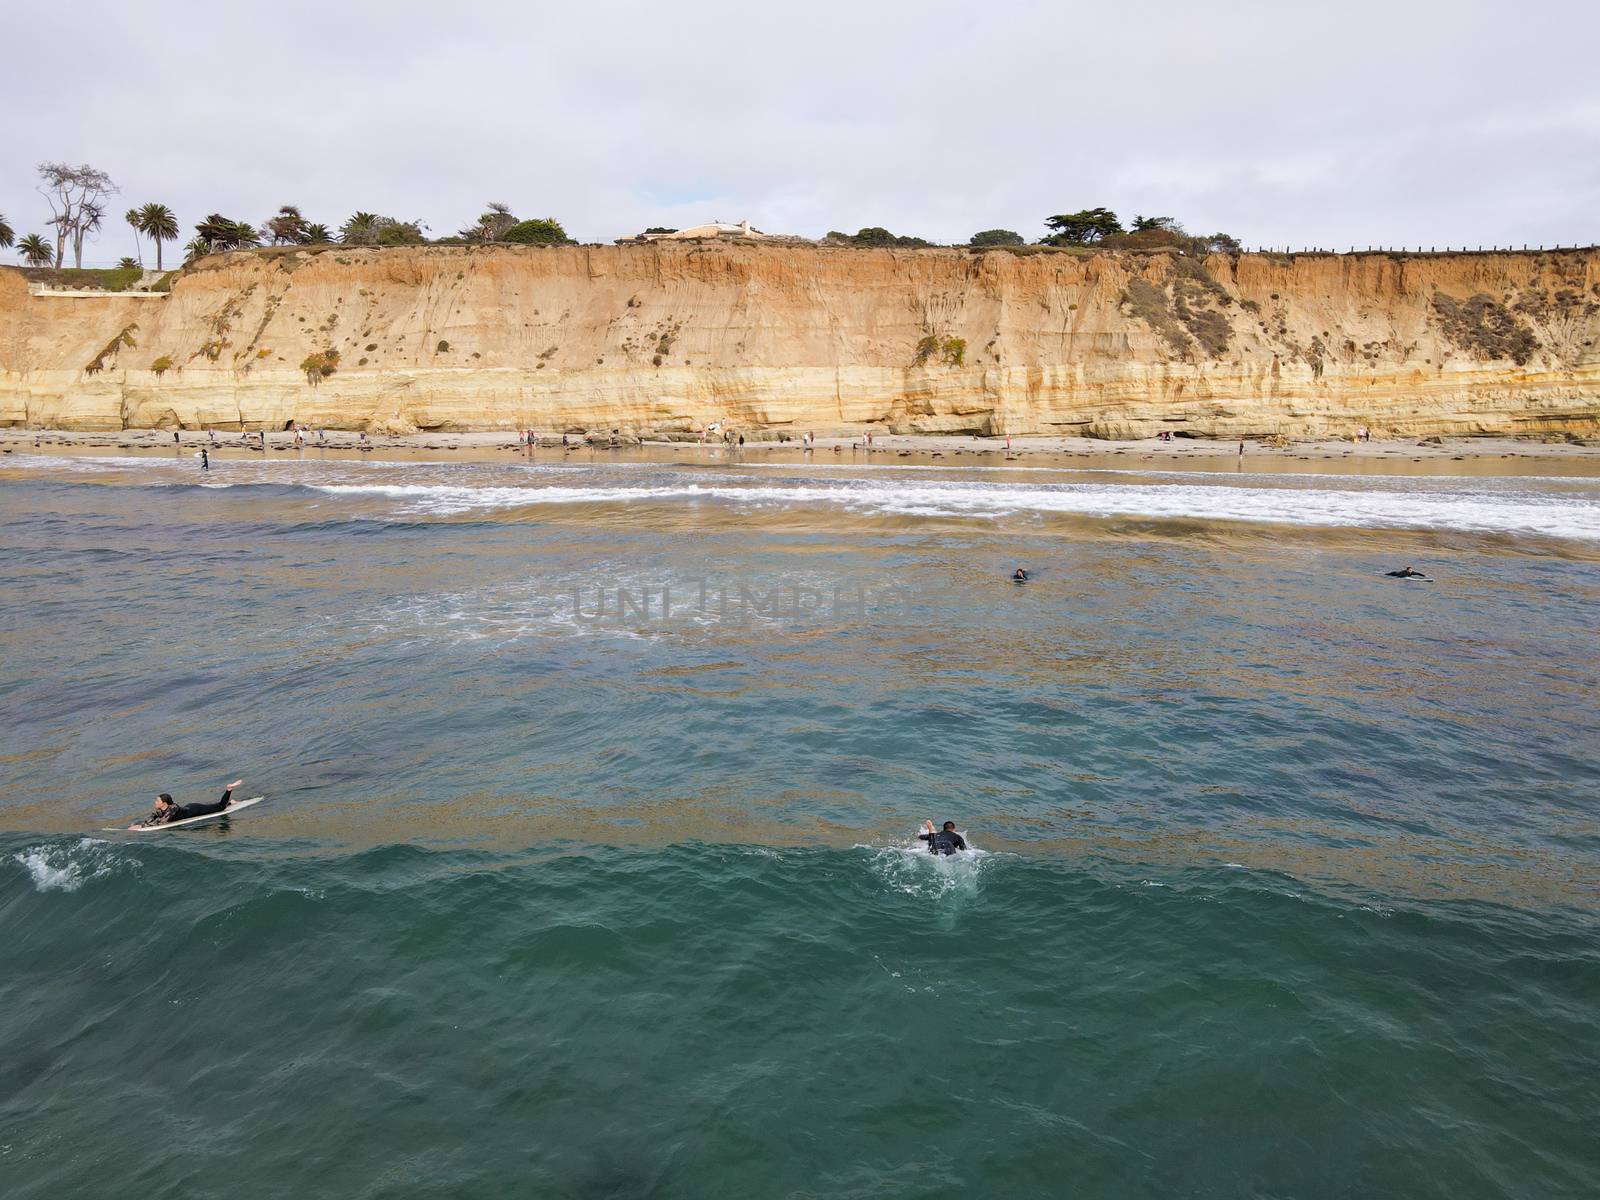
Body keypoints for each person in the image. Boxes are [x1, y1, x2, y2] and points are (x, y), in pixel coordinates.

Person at [135, 779, 245, 828]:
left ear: (164, 803)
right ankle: (230, 803)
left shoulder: (173, 808)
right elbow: (152, 818)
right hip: (189, 807)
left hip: (195, 810)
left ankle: (229, 789)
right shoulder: (160, 810)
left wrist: (142, 826)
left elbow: (164, 822)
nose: (155, 802)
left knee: (220, 807)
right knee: (213, 806)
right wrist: (140, 824)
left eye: (157, 801)